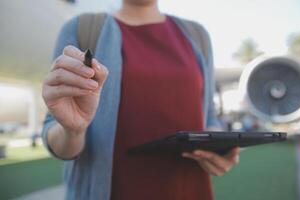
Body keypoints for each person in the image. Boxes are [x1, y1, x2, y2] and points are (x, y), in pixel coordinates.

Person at [41, 0, 240, 199]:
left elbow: (209, 116)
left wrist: (216, 144)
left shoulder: (197, 36)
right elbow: (59, 139)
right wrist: (73, 131)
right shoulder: (83, 29)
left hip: (188, 190)